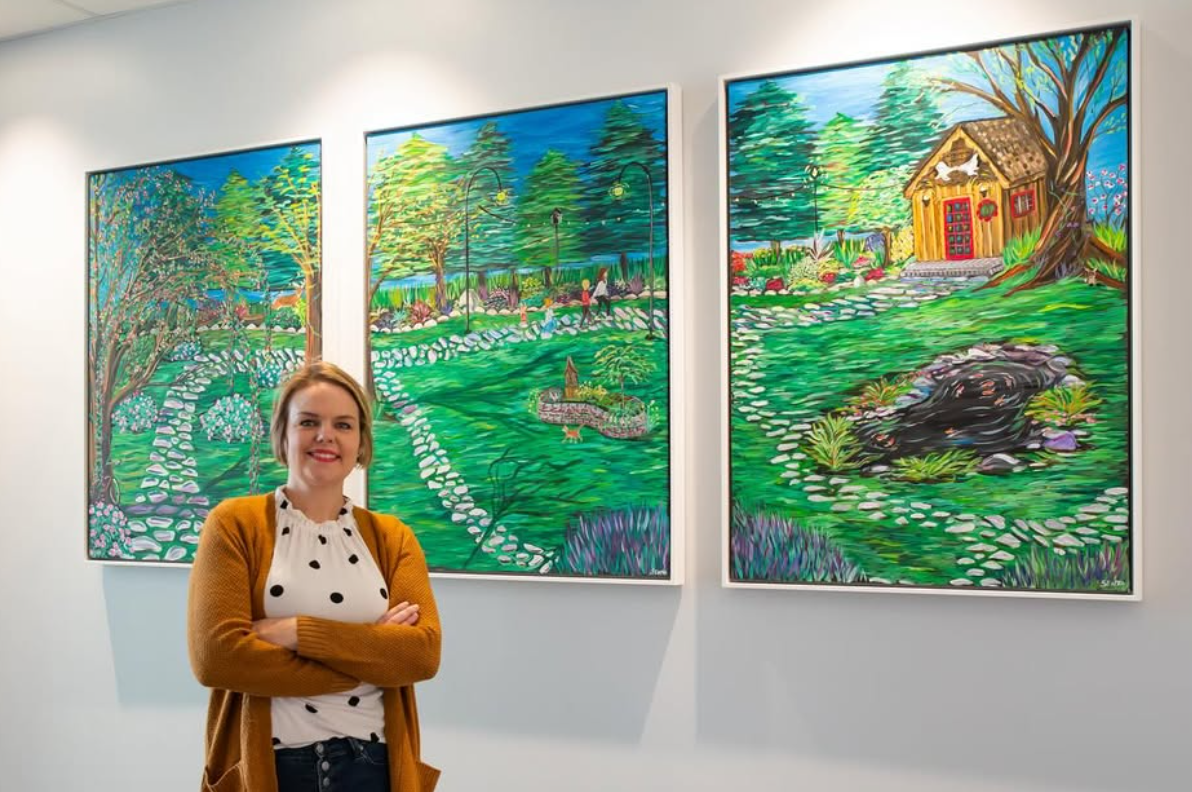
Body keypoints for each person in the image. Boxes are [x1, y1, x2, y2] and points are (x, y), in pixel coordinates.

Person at [187, 361, 441, 792]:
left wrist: (296, 631)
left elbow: (420, 655)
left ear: (361, 443)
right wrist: (368, 656)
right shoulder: (233, 525)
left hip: (374, 769)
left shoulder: (393, 538)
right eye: (308, 421)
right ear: (282, 435)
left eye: (343, 424)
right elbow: (217, 657)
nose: (326, 435)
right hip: (276, 770)